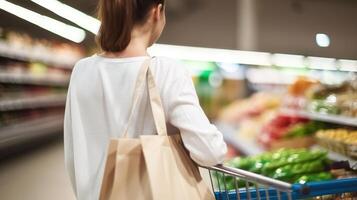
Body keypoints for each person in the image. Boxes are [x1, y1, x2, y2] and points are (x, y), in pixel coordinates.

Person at [64, 0, 227, 199]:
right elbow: (210, 152)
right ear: (157, 12)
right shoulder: (166, 71)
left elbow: (73, 155)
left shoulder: (82, 70)